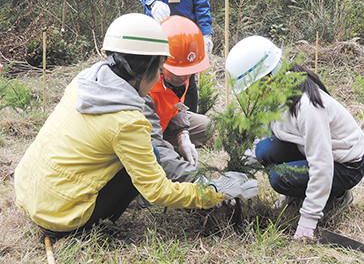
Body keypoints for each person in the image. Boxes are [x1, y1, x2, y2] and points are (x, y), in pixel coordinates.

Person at [14, 14, 247, 234]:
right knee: (149, 156)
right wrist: (216, 191)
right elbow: (158, 191)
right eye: (158, 69)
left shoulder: (86, 81)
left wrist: (183, 131)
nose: (159, 78)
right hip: (63, 218)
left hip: (30, 193)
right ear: (141, 71)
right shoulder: (127, 121)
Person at [230, 36, 364, 241]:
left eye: (251, 89)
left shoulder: (306, 105)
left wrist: (307, 221)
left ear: (266, 79)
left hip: (345, 164)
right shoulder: (273, 94)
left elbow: (321, 164)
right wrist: (235, 177)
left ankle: (337, 193)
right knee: (264, 149)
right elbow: (259, 141)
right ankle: (306, 190)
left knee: (279, 177)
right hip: (311, 151)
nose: (250, 95)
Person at [146, 16, 212, 182]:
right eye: (178, 73)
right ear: (161, 61)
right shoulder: (144, 83)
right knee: (164, 151)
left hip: (167, 123)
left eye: (189, 72)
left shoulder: (184, 68)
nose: (184, 77)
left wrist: (183, 133)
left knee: (210, 126)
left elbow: (178, 104)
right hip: (147, 132)